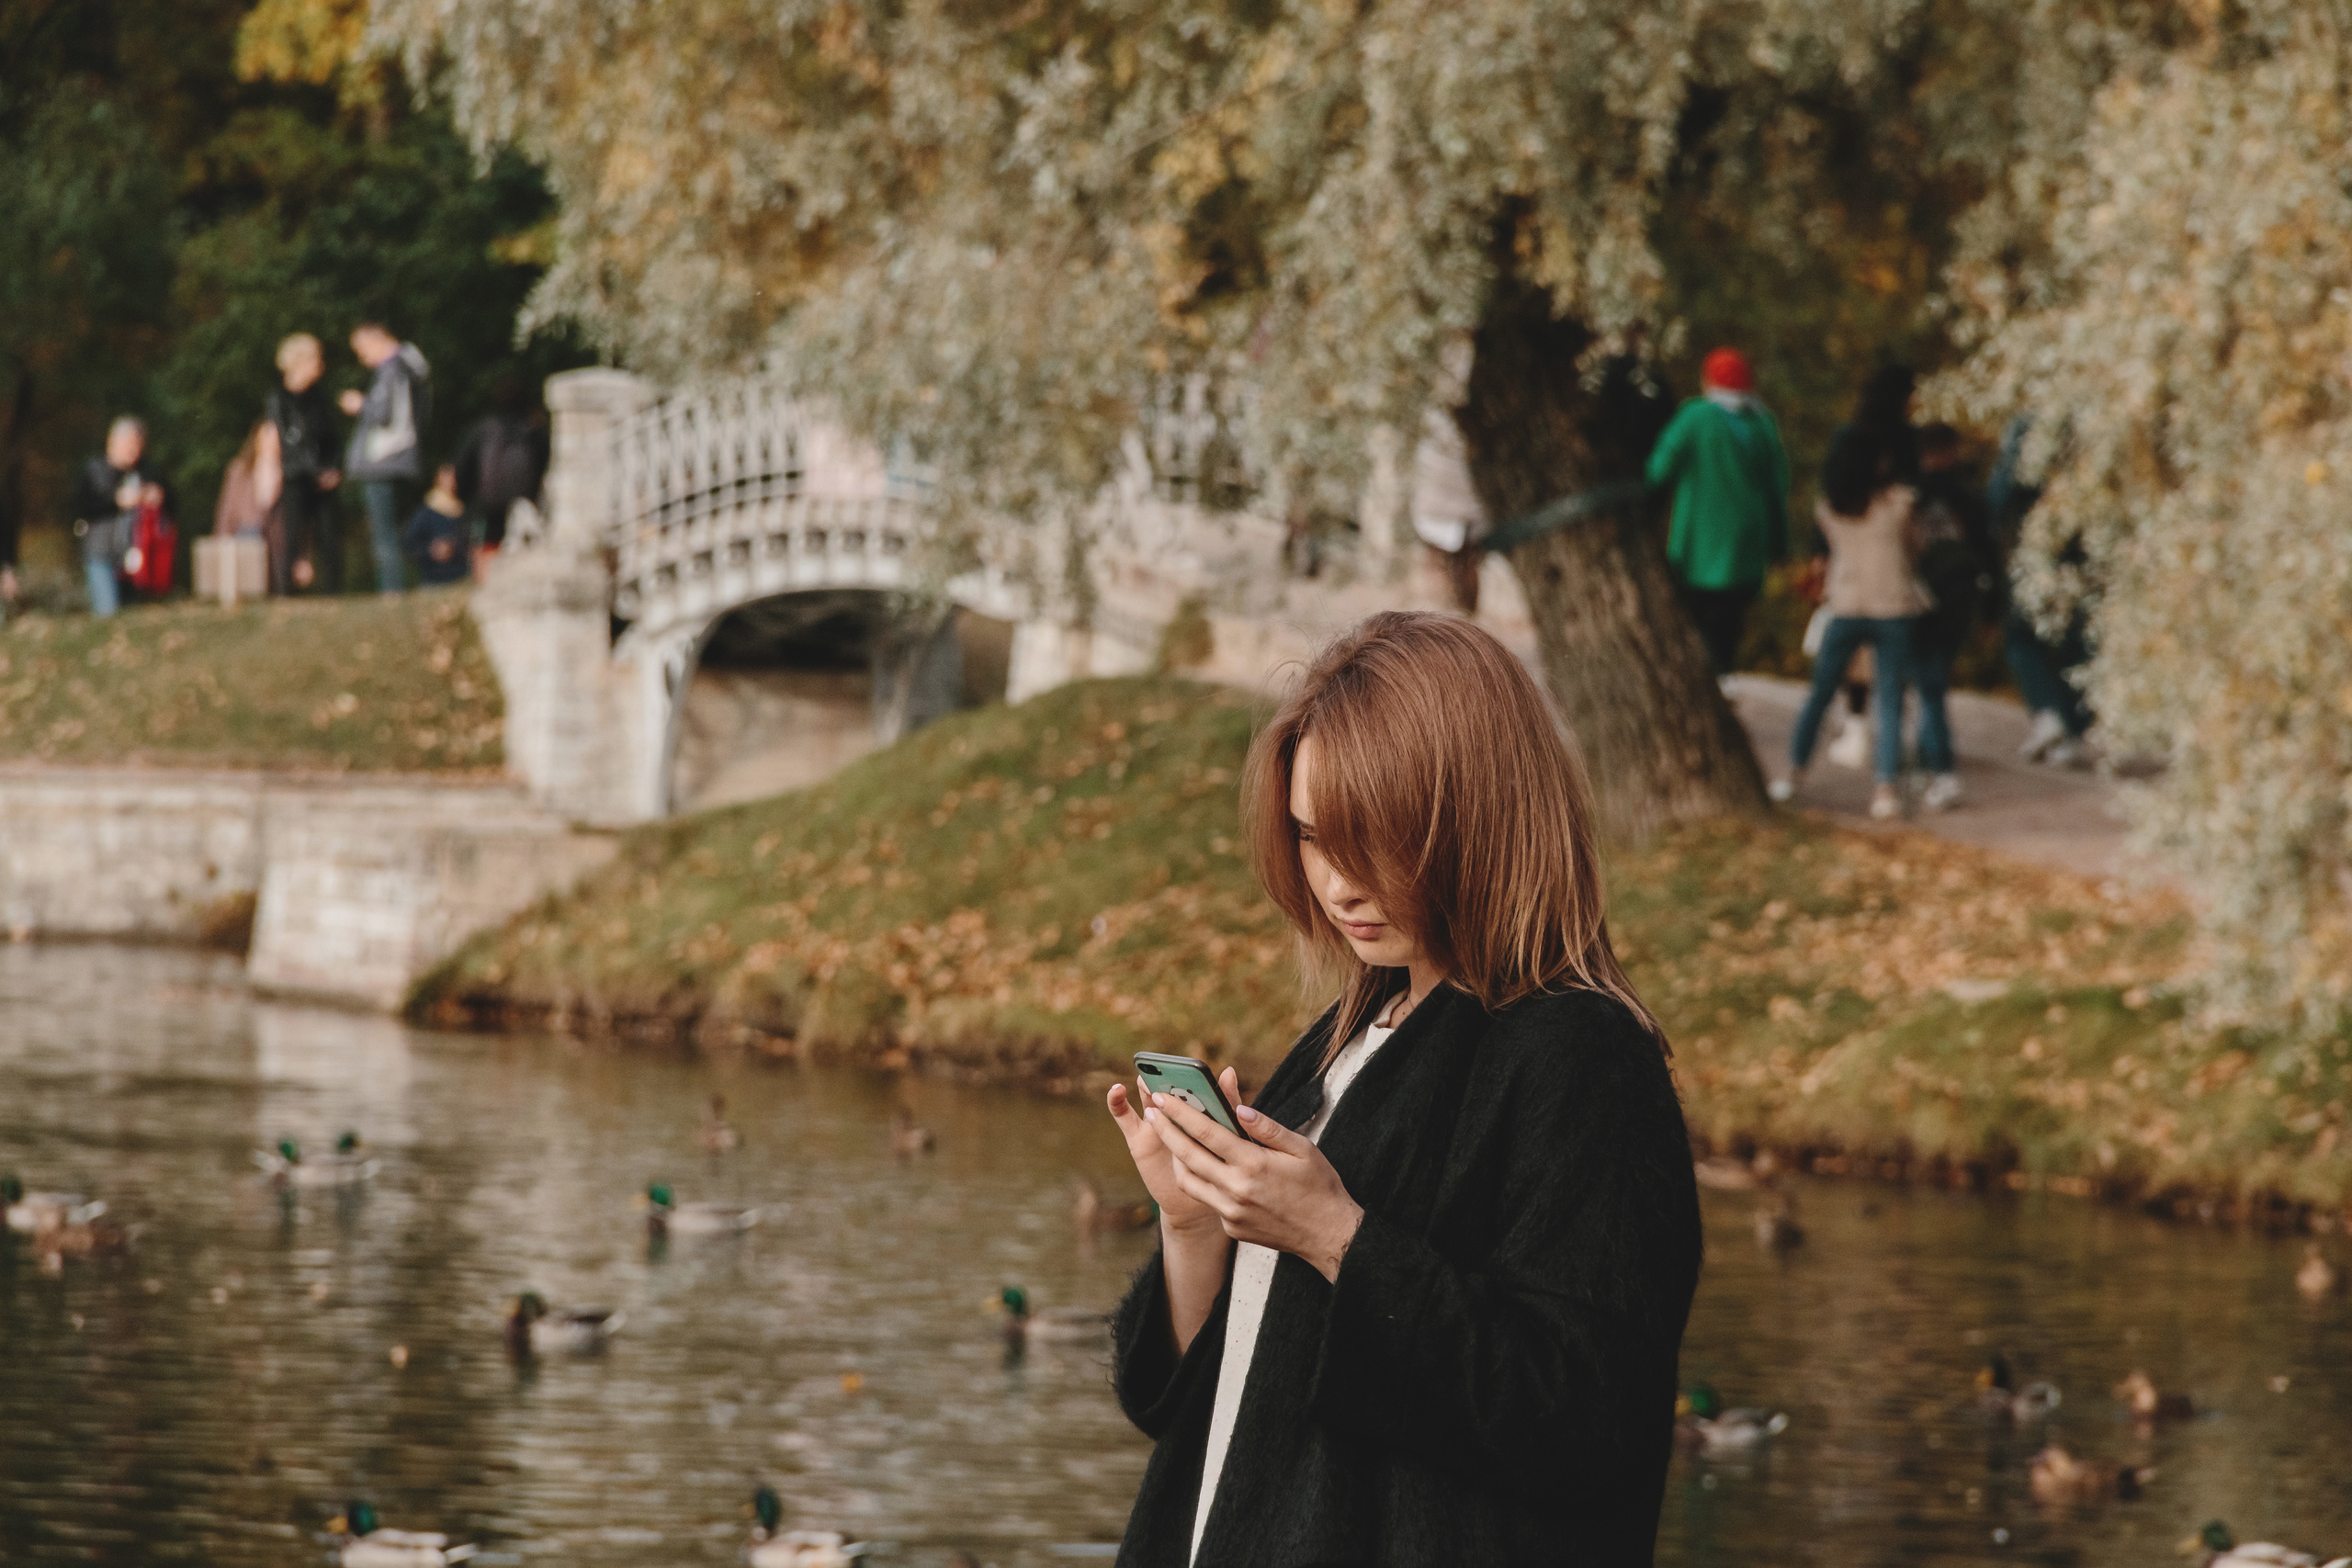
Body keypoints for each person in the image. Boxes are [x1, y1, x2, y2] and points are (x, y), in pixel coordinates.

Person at [1103, 611, 1702, 1567]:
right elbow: (1187, 1407)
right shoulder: (1345, 1040)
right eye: (1310, 837)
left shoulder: (1582, 1060)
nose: (1337, 884)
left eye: (1369, 838)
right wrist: (1195, 1226)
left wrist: (1338, 1239)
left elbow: (1588, 1422)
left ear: (1473, 816)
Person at [1772, 398, 1929, 820]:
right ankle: (1885, 788)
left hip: (1845, 603)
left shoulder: (1830, 508)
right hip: (1894, 605)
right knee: (1890, 699)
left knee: (1820, 694)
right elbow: (1918, 548)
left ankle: (1792, 772)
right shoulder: (1900, 502)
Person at [1645, 346, 1792, 675]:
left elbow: (1657, 470)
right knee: (1729, 622)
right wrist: (1780, 547)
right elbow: (1777, 489)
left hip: (1699, 545)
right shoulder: (1763, 423)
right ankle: (1724, 675)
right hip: (1748, 545)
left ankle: (1703, 675)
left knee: (1697, 617)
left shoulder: (1695, 416)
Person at [1987, 418, 2094, 767]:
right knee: (2072, 647)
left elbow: (1995, 503)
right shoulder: (2079, 441)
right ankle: (2072, 731)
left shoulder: (2020, 439)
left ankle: (2049, 716)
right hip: (2076, 561)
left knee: (2022, 639)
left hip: (2033, 561)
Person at [1906, 423, 2001, 810]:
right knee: (1934, 685)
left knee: (1924, 687)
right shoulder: (1967, 497)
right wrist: (1992, 611)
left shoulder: (1906, 493)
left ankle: (1936, 766)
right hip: (1958, 599)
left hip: (1916, 598)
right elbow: (1988, 554)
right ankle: (1932, 759)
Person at [339, 322, 432, 595]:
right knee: (395, 531)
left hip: (384, 461)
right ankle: (402, 586)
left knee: (384, 535)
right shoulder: (410, 367)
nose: (361, 357)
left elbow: (383, 414)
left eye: (362, 349)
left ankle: (392, 592)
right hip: (402, 460)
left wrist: (360, 405)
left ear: (377, 340)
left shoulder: (392, 369)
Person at [256, 333, 343, 595]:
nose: (321, 365)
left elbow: (334, 439)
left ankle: (333, 592)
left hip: (324, 477)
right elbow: (280, 442)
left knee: (330, 535)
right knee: (292, 536)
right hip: (294, 476)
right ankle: (286, 592)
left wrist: (334, 469)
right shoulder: (278, 400)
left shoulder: (321, 399)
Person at [68, 418, 169, 618]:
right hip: (100, 552)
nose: (134, 450)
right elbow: (80, 507)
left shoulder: (144, 471)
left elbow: (168, 500)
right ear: (113, 442)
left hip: (134, 554)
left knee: (133, 613)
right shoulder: (94, 469)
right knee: (108, 611)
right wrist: (116, 501)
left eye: (138, 444)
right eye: (130, 444)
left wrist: (155, 494)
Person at [452, 375, 548, 561]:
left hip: (485, 511)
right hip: (526, 510)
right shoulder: (536, 432)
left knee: (487, 559)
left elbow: (462, 469)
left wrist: (468, 501)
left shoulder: (482, 431)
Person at [403, 465, 472, 586]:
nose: (452, 483)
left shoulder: (468, 510)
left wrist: (455, 547)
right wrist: (431, 549)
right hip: (434, 580)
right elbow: (410, 545)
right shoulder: (425, 514)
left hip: (464, 577)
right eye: (448, 478)